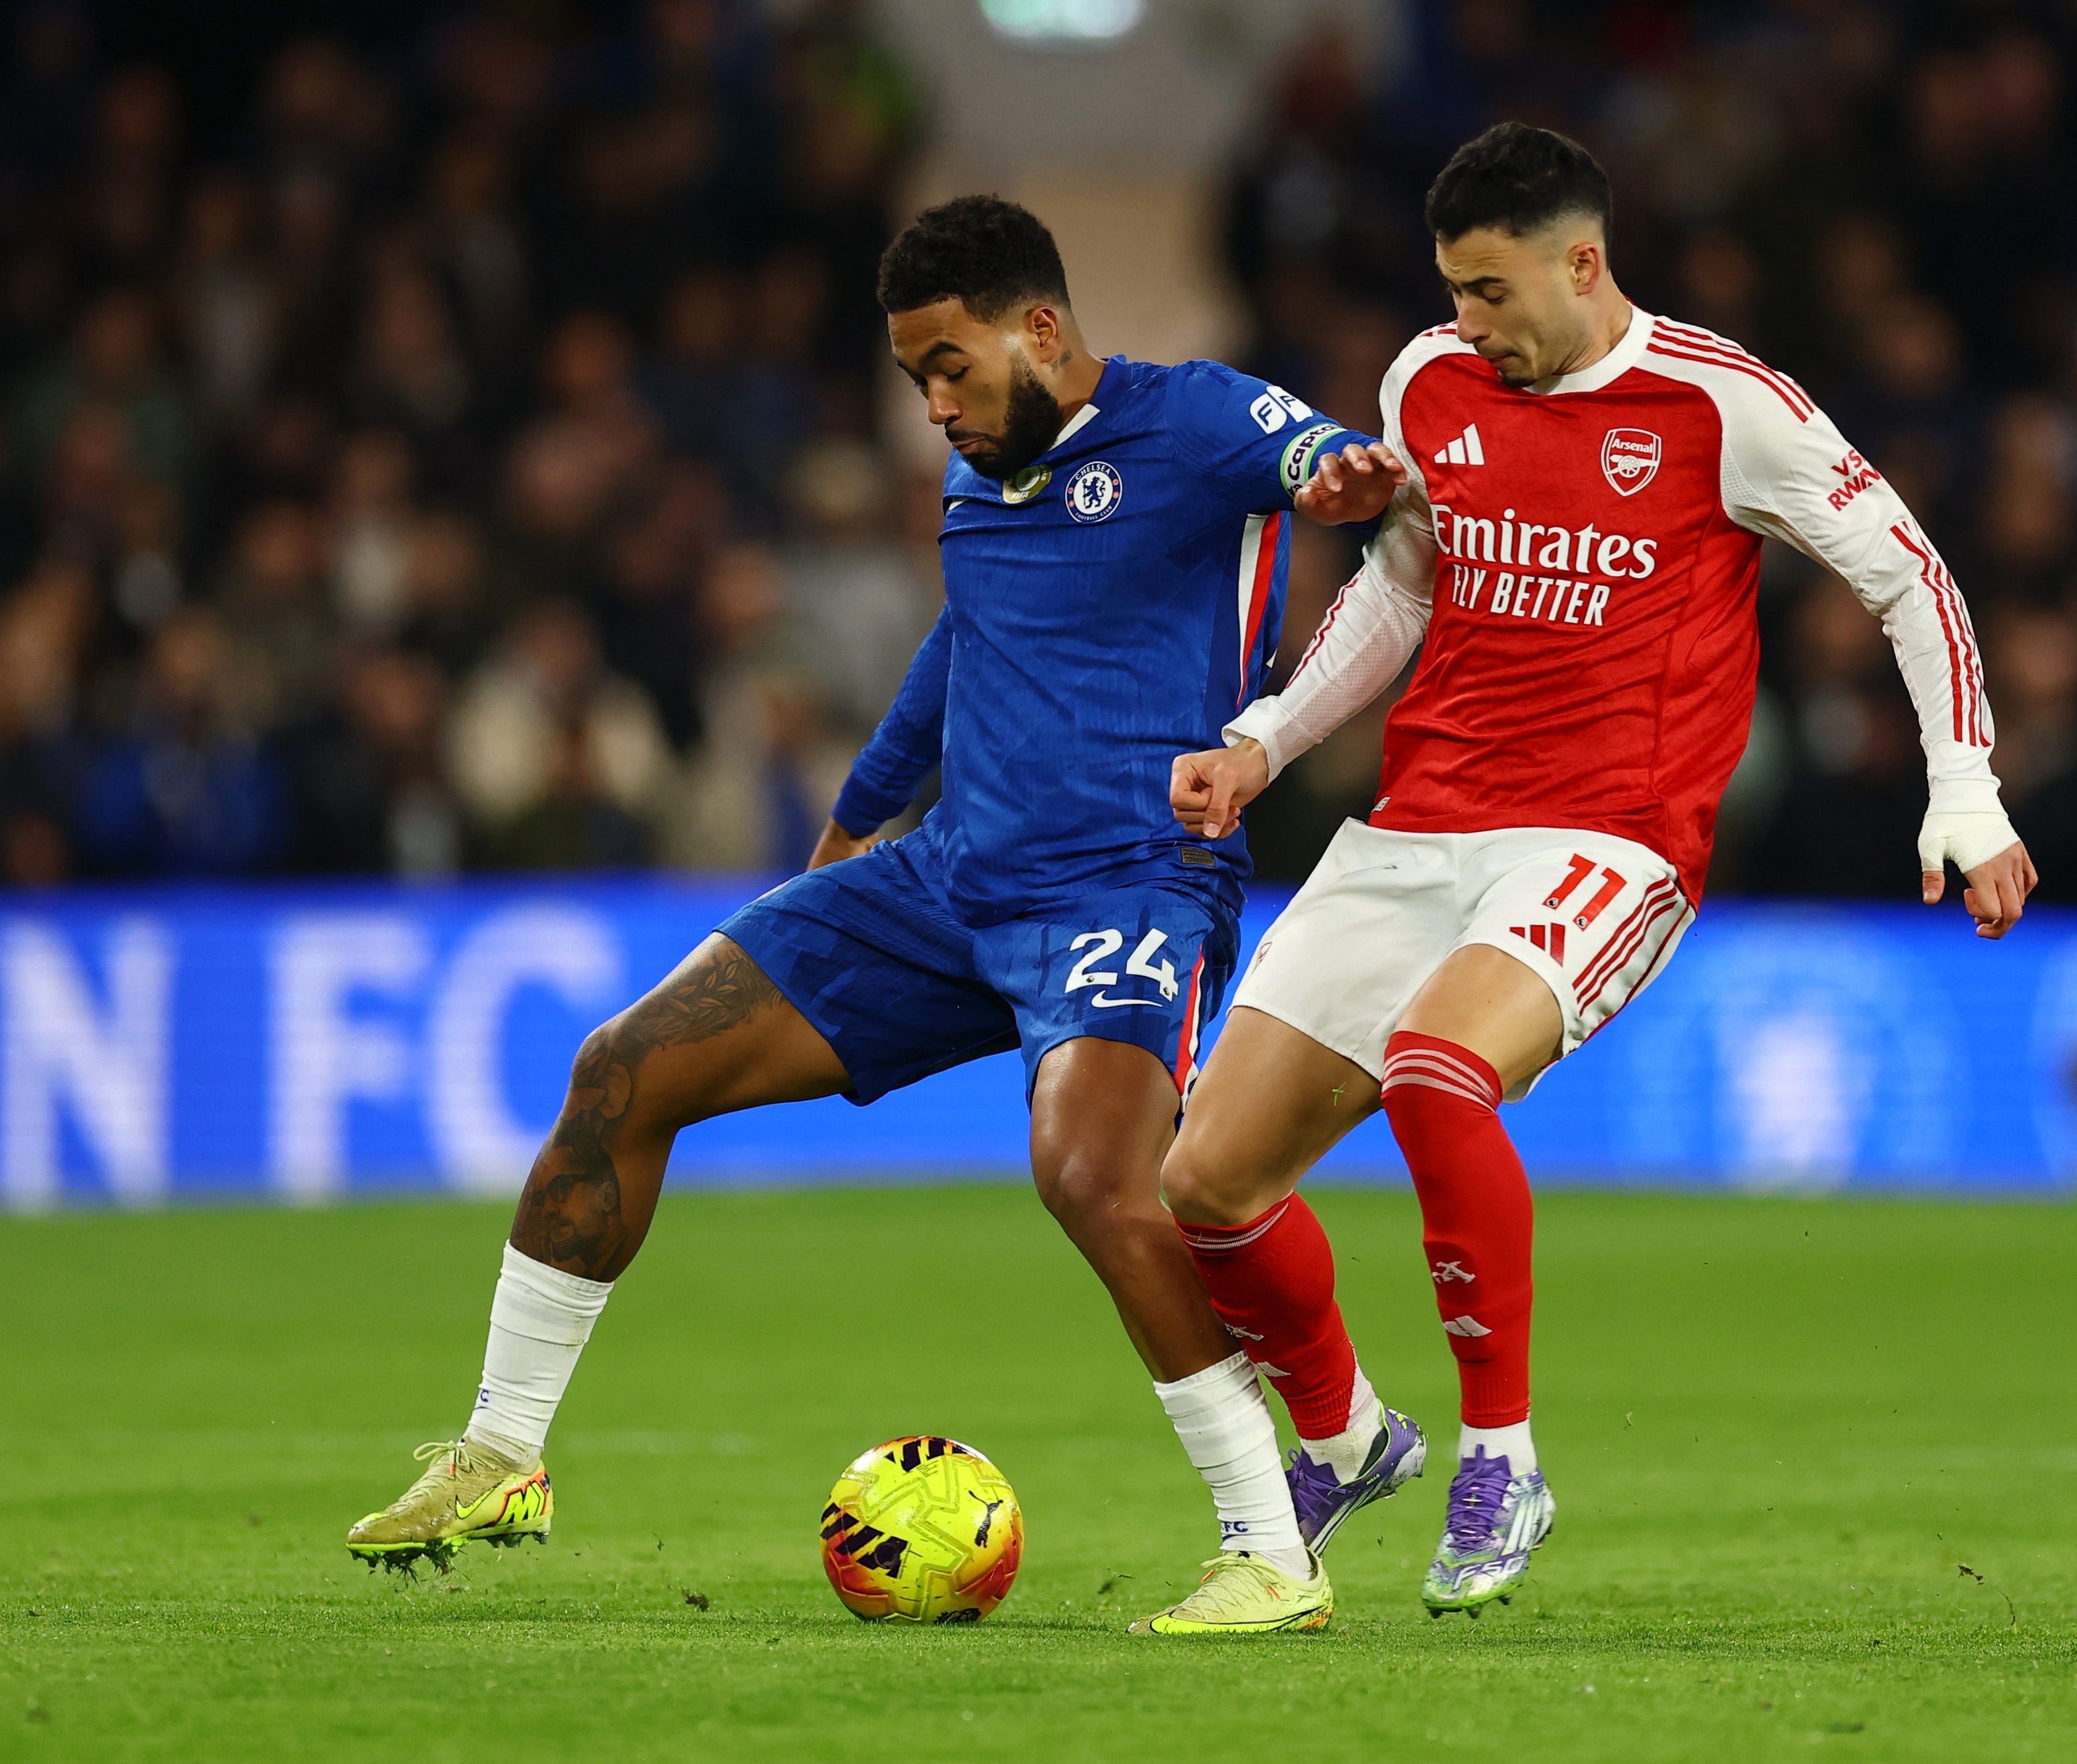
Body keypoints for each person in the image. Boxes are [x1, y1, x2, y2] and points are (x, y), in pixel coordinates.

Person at [344, 196, 1407, 1636]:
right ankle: (501, 1453)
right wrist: (852, 830)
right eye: (916, 380)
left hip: (1132, 882)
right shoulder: (982, 480)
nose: (936, 407)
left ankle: (1273, 1550)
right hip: (946, 881)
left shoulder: (1197, 419)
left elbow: (1316, 452)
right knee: (621, 1071)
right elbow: (961, 648)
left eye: (951, 367)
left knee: (1096, 1178)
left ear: (1040, 330)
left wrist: (1341, 472)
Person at [1160, 124, 2039, 1617]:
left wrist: (1969, 789)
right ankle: (1348, 1437)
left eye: (1494, 293)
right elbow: (1403, 586)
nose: (1469, 324)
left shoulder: (1721, 404)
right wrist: (1265, 740)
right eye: (1453, 291)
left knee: (1442, 1073)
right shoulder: (1428, 381)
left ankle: (1502, 1457)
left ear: (1583, 261)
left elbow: (1910, 574)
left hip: (1606, 838)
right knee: (1205, 1180)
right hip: (1417, 826)